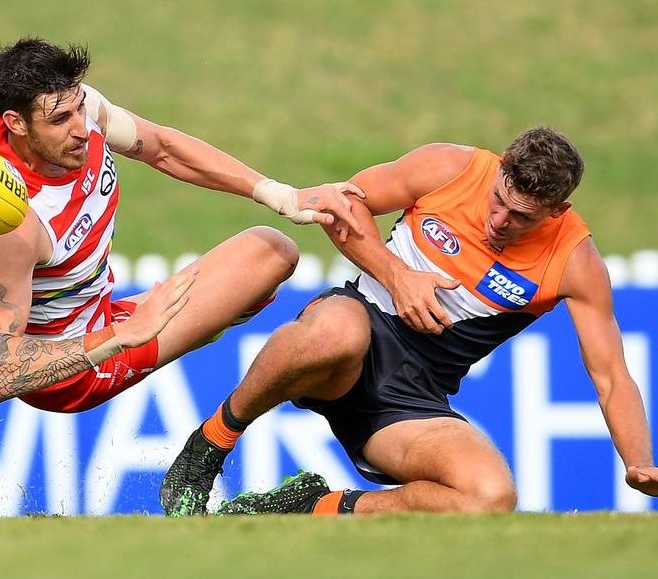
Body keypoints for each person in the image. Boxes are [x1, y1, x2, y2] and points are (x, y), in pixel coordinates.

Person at [0, 37, 365, 468]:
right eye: (61, 119)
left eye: (80, 106)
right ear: (15, 123)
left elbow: (162, 147)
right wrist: (121, 336)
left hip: (47, 302)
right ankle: (202, 341)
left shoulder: (68, 110)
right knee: (272, 254)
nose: (82, 127)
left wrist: (279, 193)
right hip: (72, 369)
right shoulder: (11, 226)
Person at [160, 127, 658, 516]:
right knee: (336, 333)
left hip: (412, 396)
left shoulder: (574, 262)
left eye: (522, 217)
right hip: (355, 326)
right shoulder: (451, 167)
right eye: (499, 200)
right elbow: (340, 205)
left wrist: (638, 462)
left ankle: (309, 508)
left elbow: (612, 377)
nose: (499, 221)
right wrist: (397, 276)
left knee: (489, 496)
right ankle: (210, 445)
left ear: (557, 211)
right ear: (501, 166)